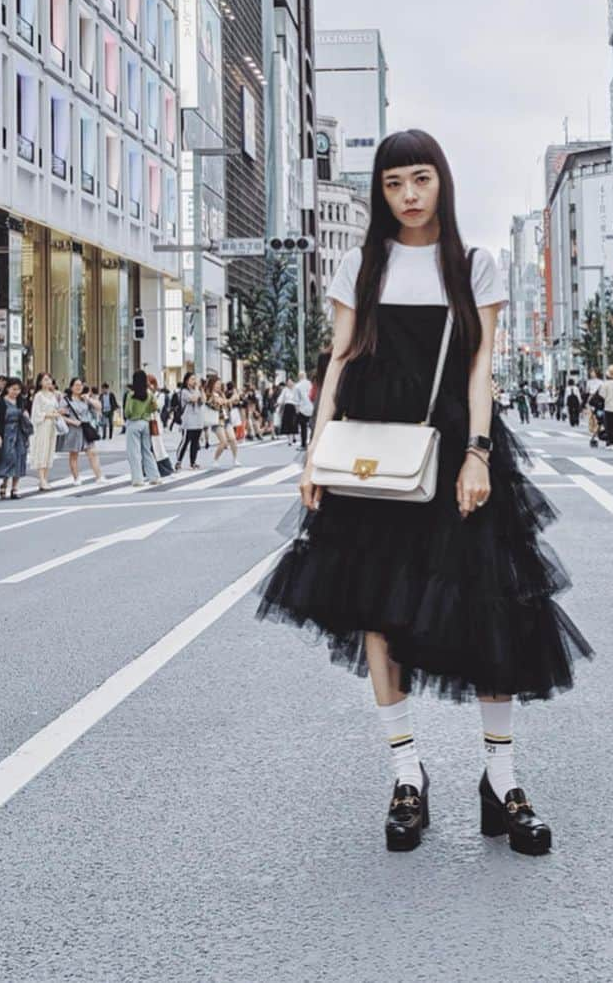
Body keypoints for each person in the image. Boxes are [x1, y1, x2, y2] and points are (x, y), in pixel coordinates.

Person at [254, 129, 593, 856]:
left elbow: (479, 372)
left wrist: (476, 454)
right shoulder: (359, 264)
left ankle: (502, 783)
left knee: (492, 607)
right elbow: (338, 363)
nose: (408, 196)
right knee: (377, 611)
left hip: (453, 449)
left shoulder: (476, 265)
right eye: (392, 184)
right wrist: (315, 455)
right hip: (375, 453)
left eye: (420, 180)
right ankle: (407, 776)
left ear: (442, 181)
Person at [0, 377, 32, 498]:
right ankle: (4, 483)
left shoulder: (21, 401)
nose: (16, 392)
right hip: (7, 432)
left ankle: (15, 488)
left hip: (19, 432)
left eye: (18, 389)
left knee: (20, 458)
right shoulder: (1, 402)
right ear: (8, 388)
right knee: (9, 458)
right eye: (14, 389)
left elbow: (25, 414)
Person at [60, 377, 105, 484]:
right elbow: (60, 415)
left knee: (93, 453)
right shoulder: (66, 400)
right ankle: (76, 478)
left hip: (85, 428)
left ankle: (99, 476)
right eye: (76, 385)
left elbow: (99, 407)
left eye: (80, 385)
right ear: (71, 387)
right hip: (74, 430)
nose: (79, 387)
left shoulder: (84, 398)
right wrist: (72, 421)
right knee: (74, 454)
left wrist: (89, 399)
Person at [122, 369, 160, 487]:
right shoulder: (149, 394)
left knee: (134, 453)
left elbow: (127, 411)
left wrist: (129, 416)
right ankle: (154, 477)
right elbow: (155, 408)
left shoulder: (131, 395)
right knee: (147, 451)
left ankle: (138, 479)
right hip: (146, 423)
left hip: (133, 423)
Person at [30, 374, 62, 491]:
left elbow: (55, 408)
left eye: (49, 379)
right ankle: (42, 479)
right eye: (45, 379)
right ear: (40, 382)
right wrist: (50, 415)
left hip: (52, 426)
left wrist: (57, 412)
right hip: (42, 425)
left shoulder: (53, 395)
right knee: (42, 450)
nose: (48, 381)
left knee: (49, 451)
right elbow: (36, 414)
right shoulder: (38, 396)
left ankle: (45, 478)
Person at [175, 372, 206, 470]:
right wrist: (197, 389)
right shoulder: (184, 391)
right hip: (188, 422)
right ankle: (178, 461)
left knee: (195, 443)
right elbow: (193, 399)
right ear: (187, 381)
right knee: (185, 442)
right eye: (192, 379)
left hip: (198, 421)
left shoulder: (197, 390)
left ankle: (193, 462)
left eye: (195, 379)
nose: (195, 381)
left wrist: (202, 389)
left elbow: (203, 401)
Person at [292, 369, 315, 449]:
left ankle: (303, 444)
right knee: (312, 426)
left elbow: (296, 400)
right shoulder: (311, 384)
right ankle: (313, 443)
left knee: (303, 427)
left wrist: (297, 410)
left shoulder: (297, 386)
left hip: (302, 409)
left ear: (299, 377)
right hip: (312, 407)